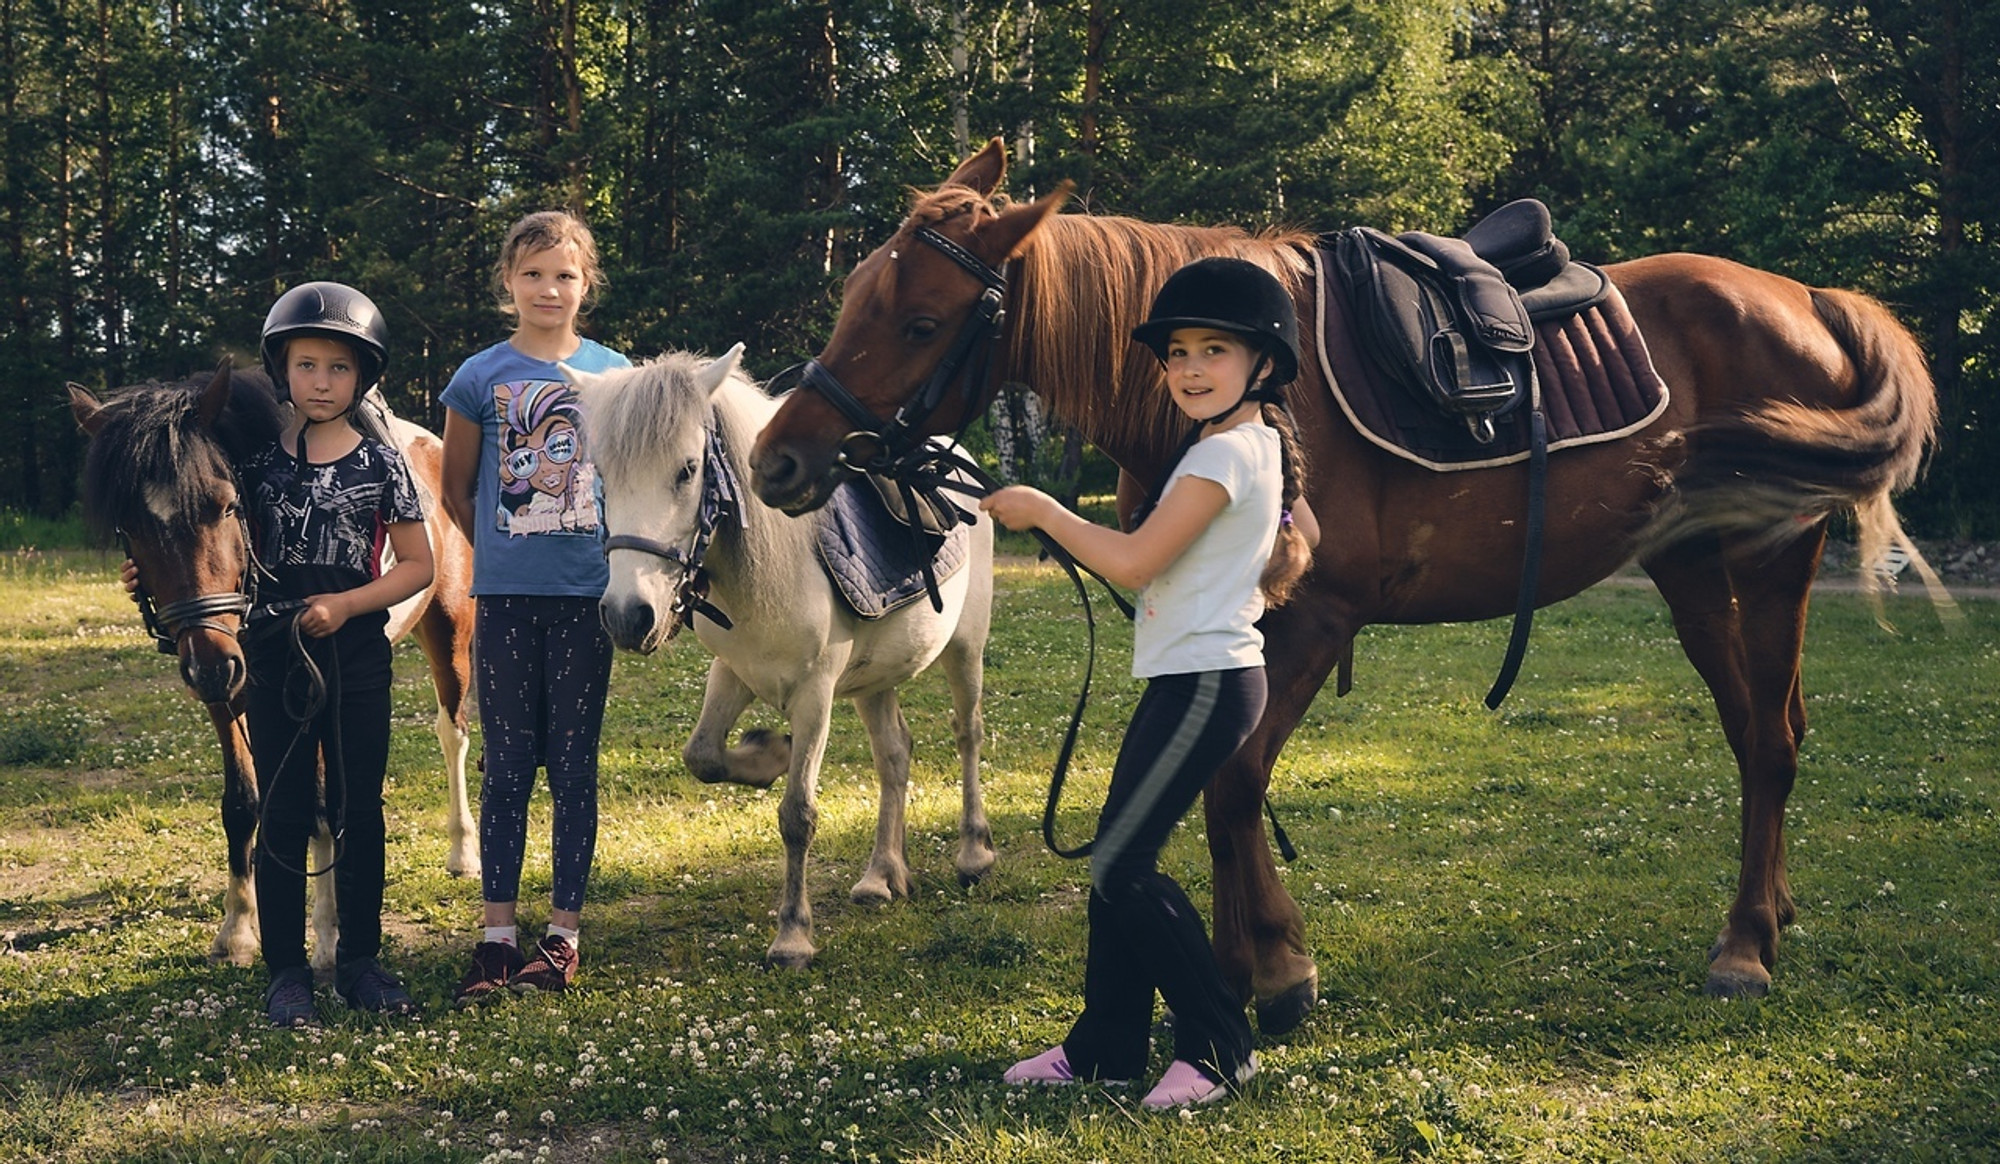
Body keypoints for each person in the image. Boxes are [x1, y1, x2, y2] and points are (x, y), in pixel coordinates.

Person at [980, 256, 1318, 1109]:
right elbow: (1302, 522)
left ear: (1263, 365)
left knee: (1124, 868)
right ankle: (1106, 1046)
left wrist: (1047, 513)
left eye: (1214, 351)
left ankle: (1218, 1047)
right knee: (1114, 861)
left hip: (1209, 683)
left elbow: (1134, 562)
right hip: (1192, 678)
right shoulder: (1239, 443)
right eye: (1177, 354)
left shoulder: (1224, 455)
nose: (1191, 369)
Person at [119, 282, 436, 1026]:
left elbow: (417, 565)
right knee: (286, 809)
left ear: (362, 378)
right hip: (272, 651)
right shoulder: (254, 467)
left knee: (360, 807)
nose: (321, 382)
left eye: (339, 369)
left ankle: (359, 957)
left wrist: (348, 606)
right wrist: (148, 568)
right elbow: (207, 536)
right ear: (282, 372)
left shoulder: (385, 464)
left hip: (355, 650)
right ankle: (286, 970)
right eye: (306, 366)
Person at [439, 210, 631, 1004]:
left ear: (586, 284)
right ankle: (495, 938)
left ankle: (561, 935)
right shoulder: (478, 376)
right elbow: (455, 488)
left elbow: (634, 477)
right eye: (532, 274)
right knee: (509, 766)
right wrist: (504, 549)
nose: (548, 288)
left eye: (564, 274)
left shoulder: (615, 374)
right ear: (508, 283)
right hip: (508, 601)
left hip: (588, 601)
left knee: (574, 767)